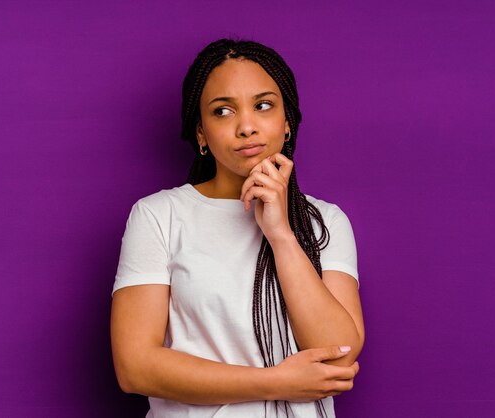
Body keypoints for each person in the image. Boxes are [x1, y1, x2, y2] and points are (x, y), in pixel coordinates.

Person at [110, 38, 364, 418]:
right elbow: (135, 367)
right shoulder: (158, 216)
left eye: (263, 106)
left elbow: (338, 353)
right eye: (223, 111)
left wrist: (281, 235)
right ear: (200, 133)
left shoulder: (325, 222)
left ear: (287, 121)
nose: (246, 126)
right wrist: (277, 382)